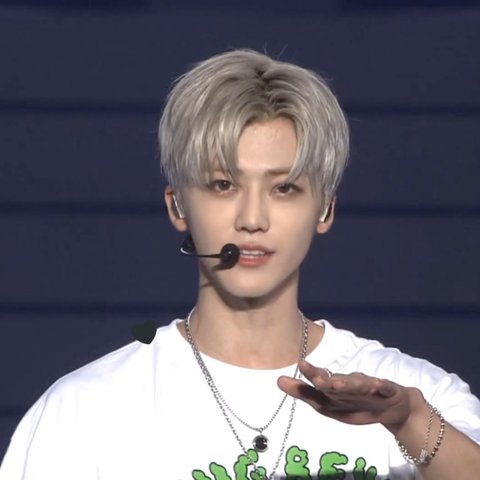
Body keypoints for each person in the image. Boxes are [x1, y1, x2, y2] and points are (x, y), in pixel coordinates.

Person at [1, 49, 479, 480]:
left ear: (325, 209)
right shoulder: (82, 413)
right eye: (223, 185)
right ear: (177, 205)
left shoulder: (420, 395)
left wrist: (409, 421)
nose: (252, 219)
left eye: (284, 188)